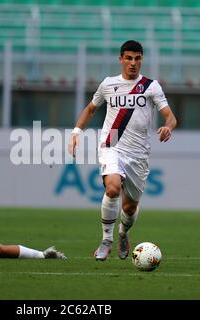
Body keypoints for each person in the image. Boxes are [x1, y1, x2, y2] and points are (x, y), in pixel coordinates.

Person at [68, 40, 177, 261]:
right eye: (128, 58)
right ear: (121, 59)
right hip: (112, 144)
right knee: (113, 188)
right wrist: (76, 132)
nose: (133, 63)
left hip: (138, 153)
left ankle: (123, 233)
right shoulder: (108, 84)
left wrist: (168, 126)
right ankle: (106, 240)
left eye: (137, 58)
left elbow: (170, 116)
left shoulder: (150, 86)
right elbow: (90, 109)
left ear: (141, 60)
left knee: (129, 207)